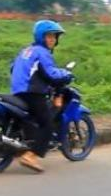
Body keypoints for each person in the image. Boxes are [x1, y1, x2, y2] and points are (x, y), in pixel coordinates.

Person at [10, 20, 73, 173]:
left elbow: (13, 68)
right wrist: (67, 74)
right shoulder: (42, 52)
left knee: (32, 120)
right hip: (32, 93)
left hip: (18, 92)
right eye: (49, 36)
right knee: (47, 124)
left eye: (54, 37)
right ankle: (31, 156)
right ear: (40, 37)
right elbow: (52, 74)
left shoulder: (26, 51)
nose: (52, 39)